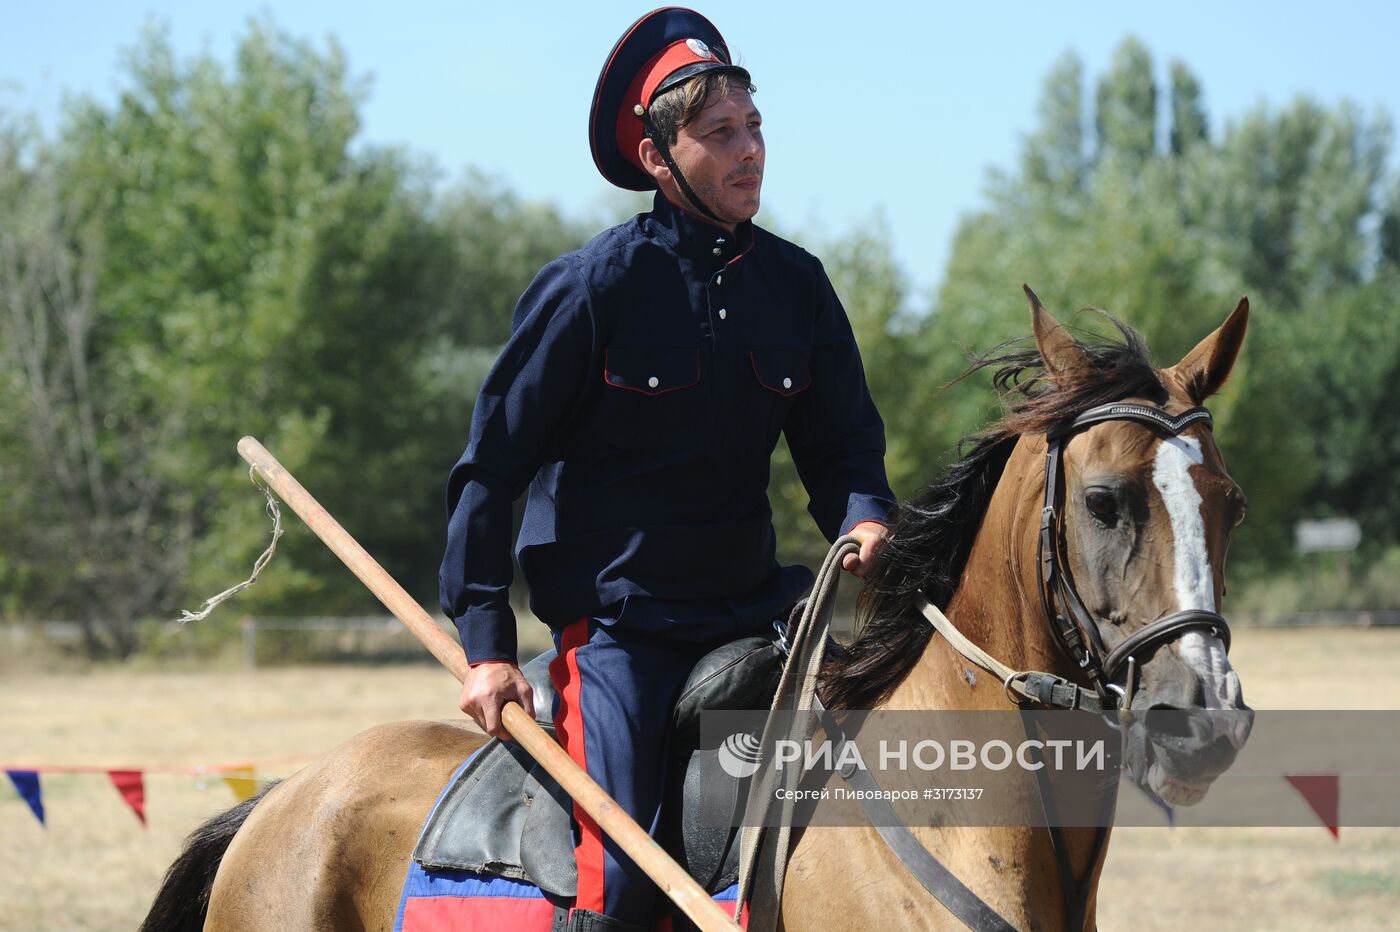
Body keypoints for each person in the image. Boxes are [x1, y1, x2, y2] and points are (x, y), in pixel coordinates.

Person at [439, 8, 895, 929]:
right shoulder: (589, 288)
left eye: (754, 126)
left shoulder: (797, 286)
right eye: (719, 133)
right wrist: (486, 648)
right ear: (658, 159)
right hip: (620, 631)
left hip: (763, 614)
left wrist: (866, 515)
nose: (749, 151)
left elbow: (842, 446)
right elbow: (492, 469)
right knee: (621, 888)